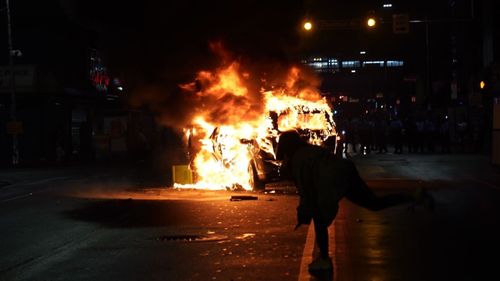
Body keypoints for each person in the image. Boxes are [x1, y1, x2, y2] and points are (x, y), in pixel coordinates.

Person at [276, 130, 434, 272]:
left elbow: (307, 191)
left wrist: (303, 212)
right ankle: (414, 196)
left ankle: (324, 259)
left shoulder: (298, 161)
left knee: (319, 217)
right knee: (374, 203)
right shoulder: (308, 150)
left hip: (335, 178)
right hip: (345, 170)